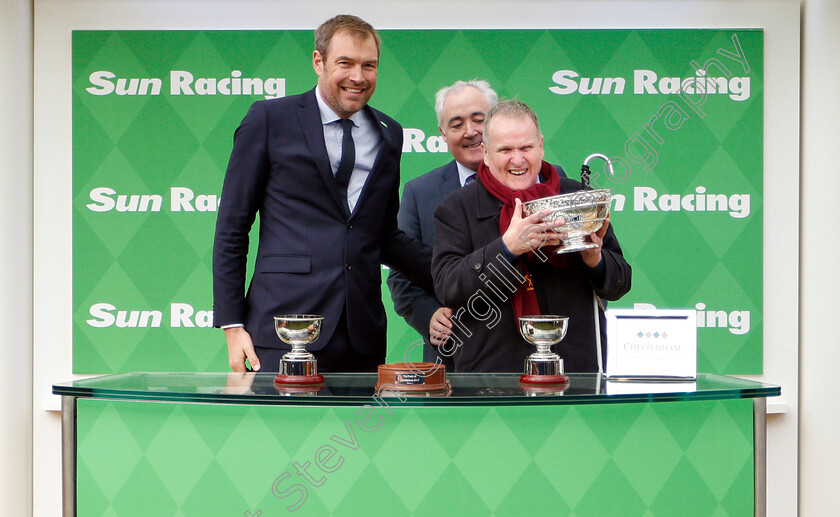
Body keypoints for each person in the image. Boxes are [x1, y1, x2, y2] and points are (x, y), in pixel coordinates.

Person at [213, 15, 433, 373]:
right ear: (319, 61)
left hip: (361, 335)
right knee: (286, 431)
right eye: (345, 63)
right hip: (283, 328)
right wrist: (232, 324)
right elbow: (232, 227)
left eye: (369, 65)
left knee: (347, 433)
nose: (358, 77)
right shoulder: (269, 119)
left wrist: (461, 272)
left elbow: (384, 235)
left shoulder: (389, 133)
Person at [431, 100, 631, 373]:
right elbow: (448, 288)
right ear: (486, 154)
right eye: (505, 150)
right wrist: (506, 247)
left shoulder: (576, 197)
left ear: (541, 146)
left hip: (577, 374)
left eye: (526, 147)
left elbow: (620, 283)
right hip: (494, 378)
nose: (518, 159)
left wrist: (594, 258)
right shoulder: (457, 208)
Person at [386, 80, 497, 371]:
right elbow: (400, 277)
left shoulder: (537, 181)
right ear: (443, 134)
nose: (471, 132)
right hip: (451, 358)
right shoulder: (419, 192)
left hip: (522, 352)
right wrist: (429, 315)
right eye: (457, 124)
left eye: (479, 119)